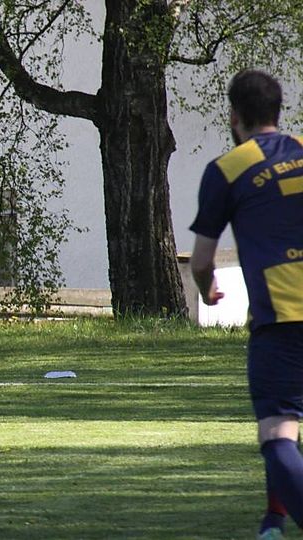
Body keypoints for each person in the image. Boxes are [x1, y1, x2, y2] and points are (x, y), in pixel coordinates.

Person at [190, 69, 303, 540]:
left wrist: (206, 290)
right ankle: (273, 520)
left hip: (282, 317)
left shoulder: (228, 169)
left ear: (234, 116)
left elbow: (201, 262)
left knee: (278, 432)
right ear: (279, 110)